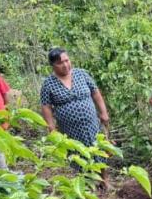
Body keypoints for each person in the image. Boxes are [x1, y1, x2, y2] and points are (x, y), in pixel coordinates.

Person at [40, 48, 112, 188]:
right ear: (53, 65)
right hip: (70, 128)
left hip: (91, 123)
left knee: (99, 148)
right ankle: (87, 184)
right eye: (60, 63)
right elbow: (46, 106)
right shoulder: (48, 84)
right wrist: (51, 127)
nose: (65, 65)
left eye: (67, 60)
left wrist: (103, 112)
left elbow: (95, 92)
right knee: (78, 154)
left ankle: (104, 180)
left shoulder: (81, 74)